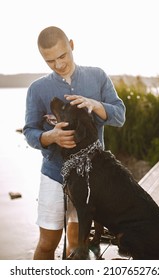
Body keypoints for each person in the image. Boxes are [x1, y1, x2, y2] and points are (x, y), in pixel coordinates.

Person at [23, 26, 126, 260]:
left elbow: (119, 115)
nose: (58, 65)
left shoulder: (98, 76)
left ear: (71, 45)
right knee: (47, 243)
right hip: (53, 174)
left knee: (77, 245)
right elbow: (30, 131)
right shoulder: (37, 89)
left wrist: (95, 104)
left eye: (62, 56)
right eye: (50, 61)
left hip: (92, 178)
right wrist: (50, 137)